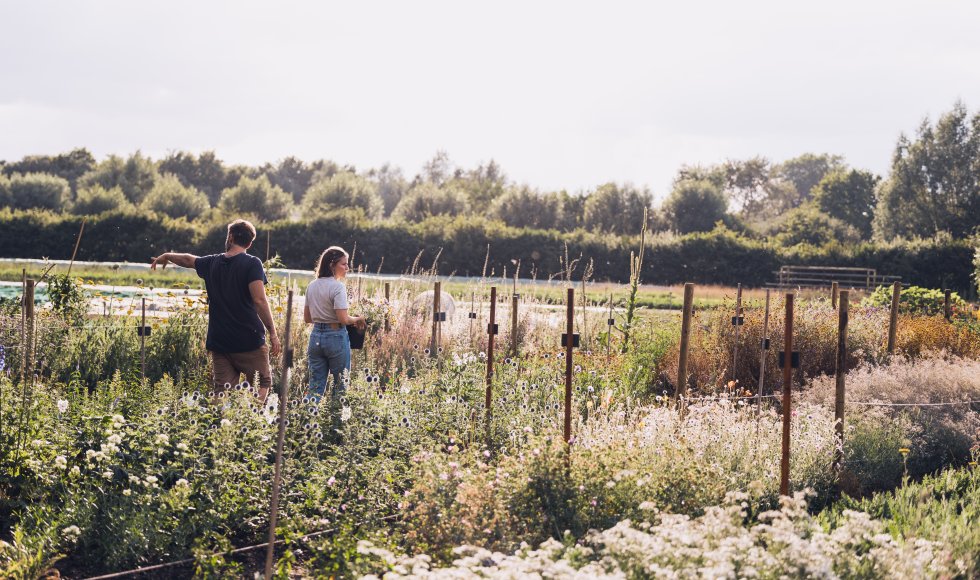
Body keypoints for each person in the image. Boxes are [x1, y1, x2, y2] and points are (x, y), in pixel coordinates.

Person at [150, 219, 281, 402]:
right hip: (248, 340)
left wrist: (167, 255)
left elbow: (188, 259)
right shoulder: (252, 263)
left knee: (222, 392)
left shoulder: (211, 263)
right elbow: (259, 300)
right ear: (250, 243)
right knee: (262, 385)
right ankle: (254, 423)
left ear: (231, 237)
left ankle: (219, 426)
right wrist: (273, 333)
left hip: (220, 341)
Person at [304, 246, 366, 413]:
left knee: (315, 385)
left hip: (315, 336)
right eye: (344, 264)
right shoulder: (337, 287)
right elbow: (344, 319)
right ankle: (335, 425)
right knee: (340, 384)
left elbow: (307, 318)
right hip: (335, 337)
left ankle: (306, 420)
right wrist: (358, 319)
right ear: (332, 265)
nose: (347, 268)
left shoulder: (312, 286)